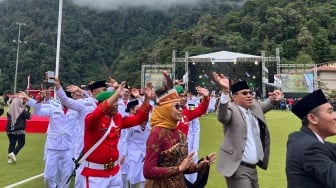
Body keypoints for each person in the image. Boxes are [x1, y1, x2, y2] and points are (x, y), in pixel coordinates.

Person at [143, 72, 216, 188]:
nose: (181, 109)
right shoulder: (157, 133)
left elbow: (184, 167)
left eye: (181, 106)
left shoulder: (180, 134)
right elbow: (148, 171)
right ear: (166, 109)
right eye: (176, 107)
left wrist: (201, 164)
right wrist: (179, 168)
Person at [212, 72, 283, 188]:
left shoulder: (254, 107)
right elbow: (222, 116)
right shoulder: (231, 109)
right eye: (244, 93)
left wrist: (275, 99)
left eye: (250, 92)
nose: (249, 95)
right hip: (237, 168)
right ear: (234, 97)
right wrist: (225, 91)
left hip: (253, 169)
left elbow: (266, 105)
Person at [78, 81, 153, 188]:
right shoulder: (91, 119)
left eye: (117, 101)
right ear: (103, 103)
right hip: (96, 174)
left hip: (114, 172)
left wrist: (147, 99)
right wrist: (116, 94)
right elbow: (98, 112)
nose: (117, 104)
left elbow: (138, 119)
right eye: (114, 102)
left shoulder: (117, 118)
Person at [286, 89, 336, 188]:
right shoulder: (310, 148)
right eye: (330, 112)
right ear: (313, 119)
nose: (334, 117)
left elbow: (330, 148)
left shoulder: (301, 139)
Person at [6, 97, 31, 164]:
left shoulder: (10, 109)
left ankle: (10, 159)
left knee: (12, 143)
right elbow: (29, 117)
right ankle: (13, 153)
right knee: (21, 143)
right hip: (19, 129)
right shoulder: (22, 110)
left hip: (10, 128)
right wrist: (27, 110)